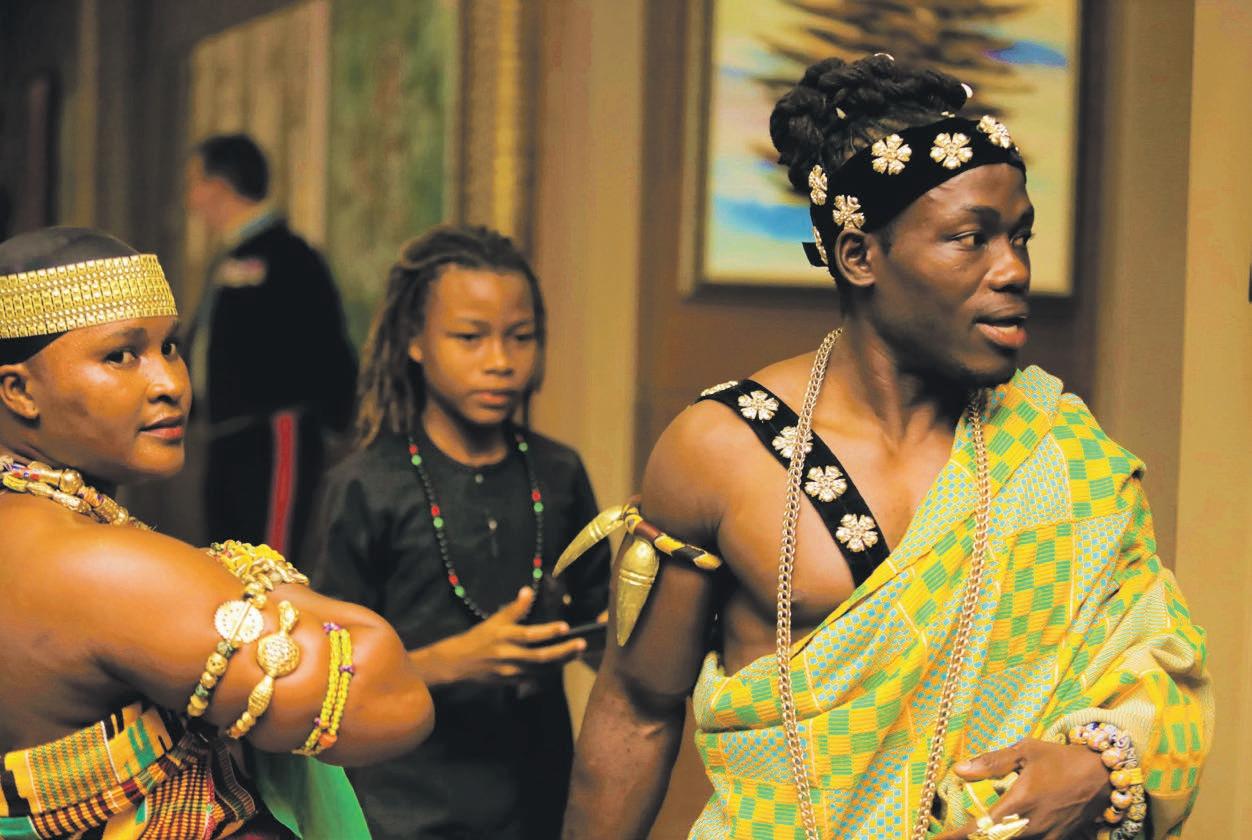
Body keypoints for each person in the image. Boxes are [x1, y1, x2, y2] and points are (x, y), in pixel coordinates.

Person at [560, 56, 1211, 839]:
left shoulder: (1064, 454)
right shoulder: (723, 450)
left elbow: (1160, 668)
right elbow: (634, 713)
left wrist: (1099, 766)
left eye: (1020, 237)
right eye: (970, 239)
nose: (1013, 270)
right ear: (860, 256)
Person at [0, 226, 434, 839]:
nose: (171, 384)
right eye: (121, 356)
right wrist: (249, 572)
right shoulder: (93, 565)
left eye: (169, 347)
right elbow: (390, 701)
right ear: (19, 391)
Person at [305, 225, 611, 839]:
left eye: (520, 337)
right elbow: (324, 678)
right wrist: (449, 663)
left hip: (537, 804)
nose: (500, 361)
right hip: (401, 809)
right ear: (415, 341)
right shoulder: (367, 485)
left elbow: (605, 630)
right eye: (470, 337)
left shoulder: (558, 472)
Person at [184, 133, 357, 561]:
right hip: (225, 435)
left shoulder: (289, 255)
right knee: (225, 559)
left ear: (219, 185)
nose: (191, 199)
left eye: (195, 183)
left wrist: (335, 418)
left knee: (267, 563)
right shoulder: (229, 257)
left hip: (275, 437)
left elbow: (325, 347)